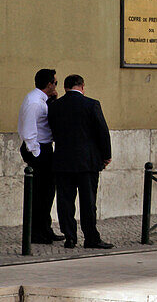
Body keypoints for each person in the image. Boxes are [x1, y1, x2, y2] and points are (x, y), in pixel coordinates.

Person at [48, 75, 113, 249]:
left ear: (65, 87)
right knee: (88, 202)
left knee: (65, 201)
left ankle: (69, 237)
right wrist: (106, 156)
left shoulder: (55, 107)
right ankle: (91, 238)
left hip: (63, 161)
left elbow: (52, 131)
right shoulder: (92, 104)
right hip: (87, 162)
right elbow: (102, 131)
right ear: (82, 86)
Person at [17, 68, 64, 244]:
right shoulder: (35, 102)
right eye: (55, 82)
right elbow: (29, 132)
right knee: (39, 194)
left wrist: (53, 101)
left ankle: (45, 228)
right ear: (49, 84)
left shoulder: (41, 100)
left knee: (47, 192)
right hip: (38, 150)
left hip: (43, 149)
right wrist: (36, 153)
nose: (56, 86)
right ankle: (36, 233)